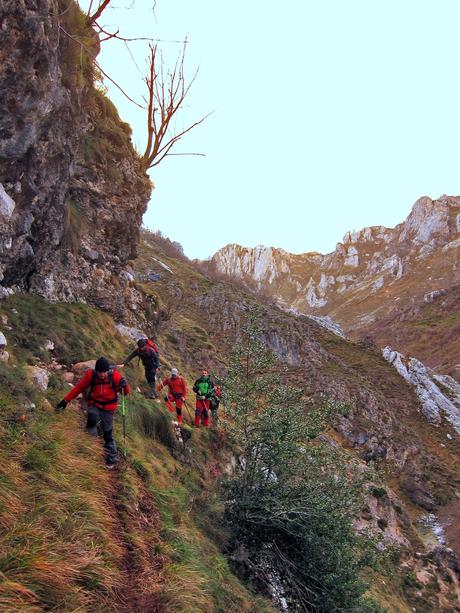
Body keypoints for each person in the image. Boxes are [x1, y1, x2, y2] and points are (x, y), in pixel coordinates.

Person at [55, 357, 130, 468]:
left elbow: (125, 393)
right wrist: (65, 401)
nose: (101, 375)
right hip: (94, 404)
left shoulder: (114, 376)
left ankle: (111, 459)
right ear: (96, 371)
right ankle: (91, 445)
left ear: (107, 370)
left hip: (108, 408)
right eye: (99, 372)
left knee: (108, 434)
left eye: (103, 372)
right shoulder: (91, 375)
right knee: (91, 419)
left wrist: (125, 385)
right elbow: (79, 388)